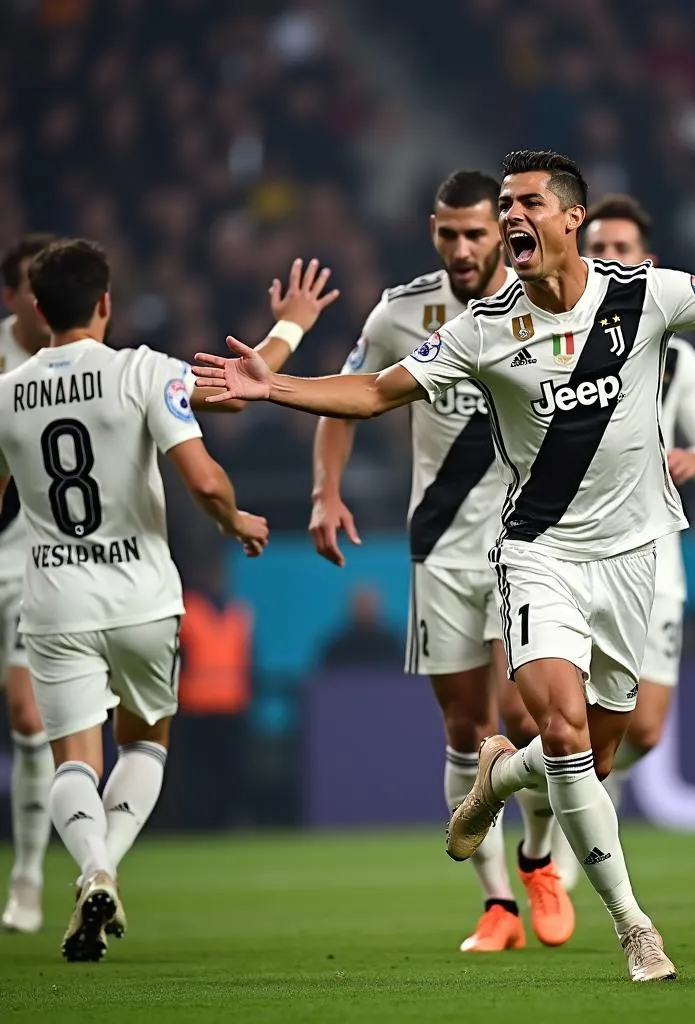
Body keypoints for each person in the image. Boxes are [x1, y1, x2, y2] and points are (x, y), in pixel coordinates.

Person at [192, 151, 695, 981]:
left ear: (571, 218)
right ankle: (634, 925)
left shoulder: (645, 296)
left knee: (596, 754)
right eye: (505, 205)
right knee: (567, 733)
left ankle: (502, 774)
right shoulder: (482, 328)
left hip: (633, 559)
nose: (510, 219)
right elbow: (373, 394)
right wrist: (275, 386)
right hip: (538, 555)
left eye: (527, 204)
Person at [0, 239, 336, 962]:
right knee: (146, 739)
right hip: (143, 600)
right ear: (106, 304)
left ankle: (90, 864)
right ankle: (104, 866)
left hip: (54, 601)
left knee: (71, 762)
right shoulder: (142, 372)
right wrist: (233, 519)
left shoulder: (5, 393)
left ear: (36, 309)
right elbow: (230, 402)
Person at [308, 170, 572, 953]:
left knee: (529, 718)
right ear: (433, 229)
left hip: (526, 543)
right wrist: (327, 491)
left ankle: (539, 859)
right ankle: (498, 907)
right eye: (446, 235)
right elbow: (347, 395)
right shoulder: (401, 310)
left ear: (503, 231)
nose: (460, 249)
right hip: (441, 548)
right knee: (465, 729)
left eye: (474, 235)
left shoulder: (544, 303)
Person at [550, 194, 695, 889]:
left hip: (654, 562)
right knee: (576, 720)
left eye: (623, 249)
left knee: (641, 732)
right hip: (568, 556)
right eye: (598, 248)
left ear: (647, 264)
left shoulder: (675, 355)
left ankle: (549, 782)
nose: (609, 258)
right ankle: (565, 834)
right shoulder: (550, 341)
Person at [0, 233, 57, 933]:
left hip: (29, 565)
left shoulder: (80, 358)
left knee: (27, 717)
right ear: (11, 295)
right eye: (31, 289)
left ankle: (28, 882)